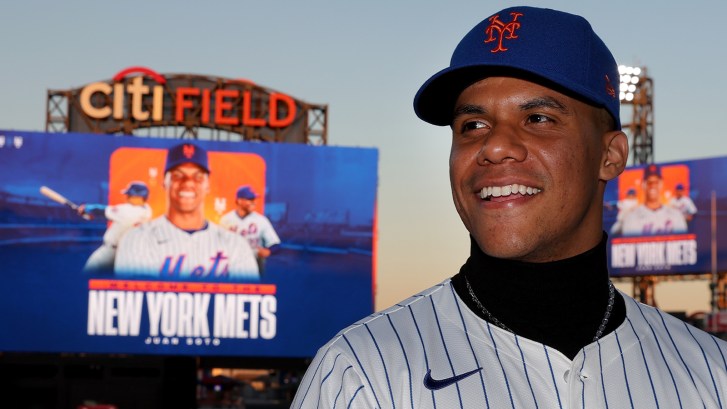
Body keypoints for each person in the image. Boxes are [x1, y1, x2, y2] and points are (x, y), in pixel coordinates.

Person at [292, 6, 727, 408]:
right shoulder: (361, 372)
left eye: (538, 119)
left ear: (609, 155)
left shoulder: (713, 373)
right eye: (473, 125)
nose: (494, 146)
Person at [115, 143, 259, 280]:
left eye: (198, 177)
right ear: (164, 182)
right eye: (177, 176)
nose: (188, 182)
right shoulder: (136, 240)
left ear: (208, 185)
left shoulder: (235, 245)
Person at [79, 181, 152, 272]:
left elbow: (100, 210)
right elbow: (118, 218)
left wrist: (86, 208)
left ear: (139, 197)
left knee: (88, 275)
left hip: (111, 252)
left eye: (130, 195)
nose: (127, 197)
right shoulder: (147, 210)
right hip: (128, 255)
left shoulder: (129, 211)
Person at [219, 185, 281, 274]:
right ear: (239, 201)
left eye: (254, 199)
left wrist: (268, 251)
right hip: (231, 268)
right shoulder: (226, 220)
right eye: (250, 199)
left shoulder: (261, 220)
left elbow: (276, 244)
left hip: (254, 268)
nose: (254, 202)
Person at [621, 164, 688, 236]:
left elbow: (684, 241)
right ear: (643, 185)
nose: (652, 185)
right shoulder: (632, 217)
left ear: (661, 184)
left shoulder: (676, 215)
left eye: (656, 182)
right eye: (649, 182)